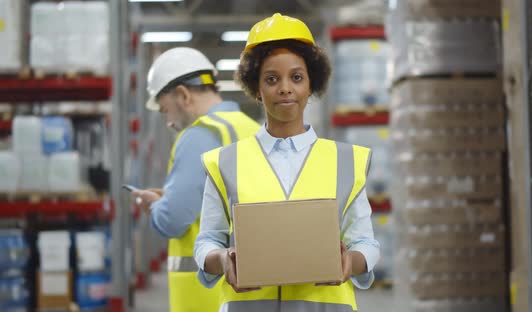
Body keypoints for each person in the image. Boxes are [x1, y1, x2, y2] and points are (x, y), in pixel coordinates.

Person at [194, 13, 380, 311]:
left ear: (311, 84)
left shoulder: (347, 161)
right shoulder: (225, 163)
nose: (285, 88)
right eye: (271, 79)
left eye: (296, 77)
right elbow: (206, 241)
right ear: (256, 88)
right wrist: (222, 260)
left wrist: (351, 262)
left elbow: (366, 243)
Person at [132, 47, 260, 312]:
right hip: (255, 293)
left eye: (165, 109)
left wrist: (154, 205)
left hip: (206, 296)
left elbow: (173, 220)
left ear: (183, 95)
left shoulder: (199, 135)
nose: (168, 122)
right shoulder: (254, 129)